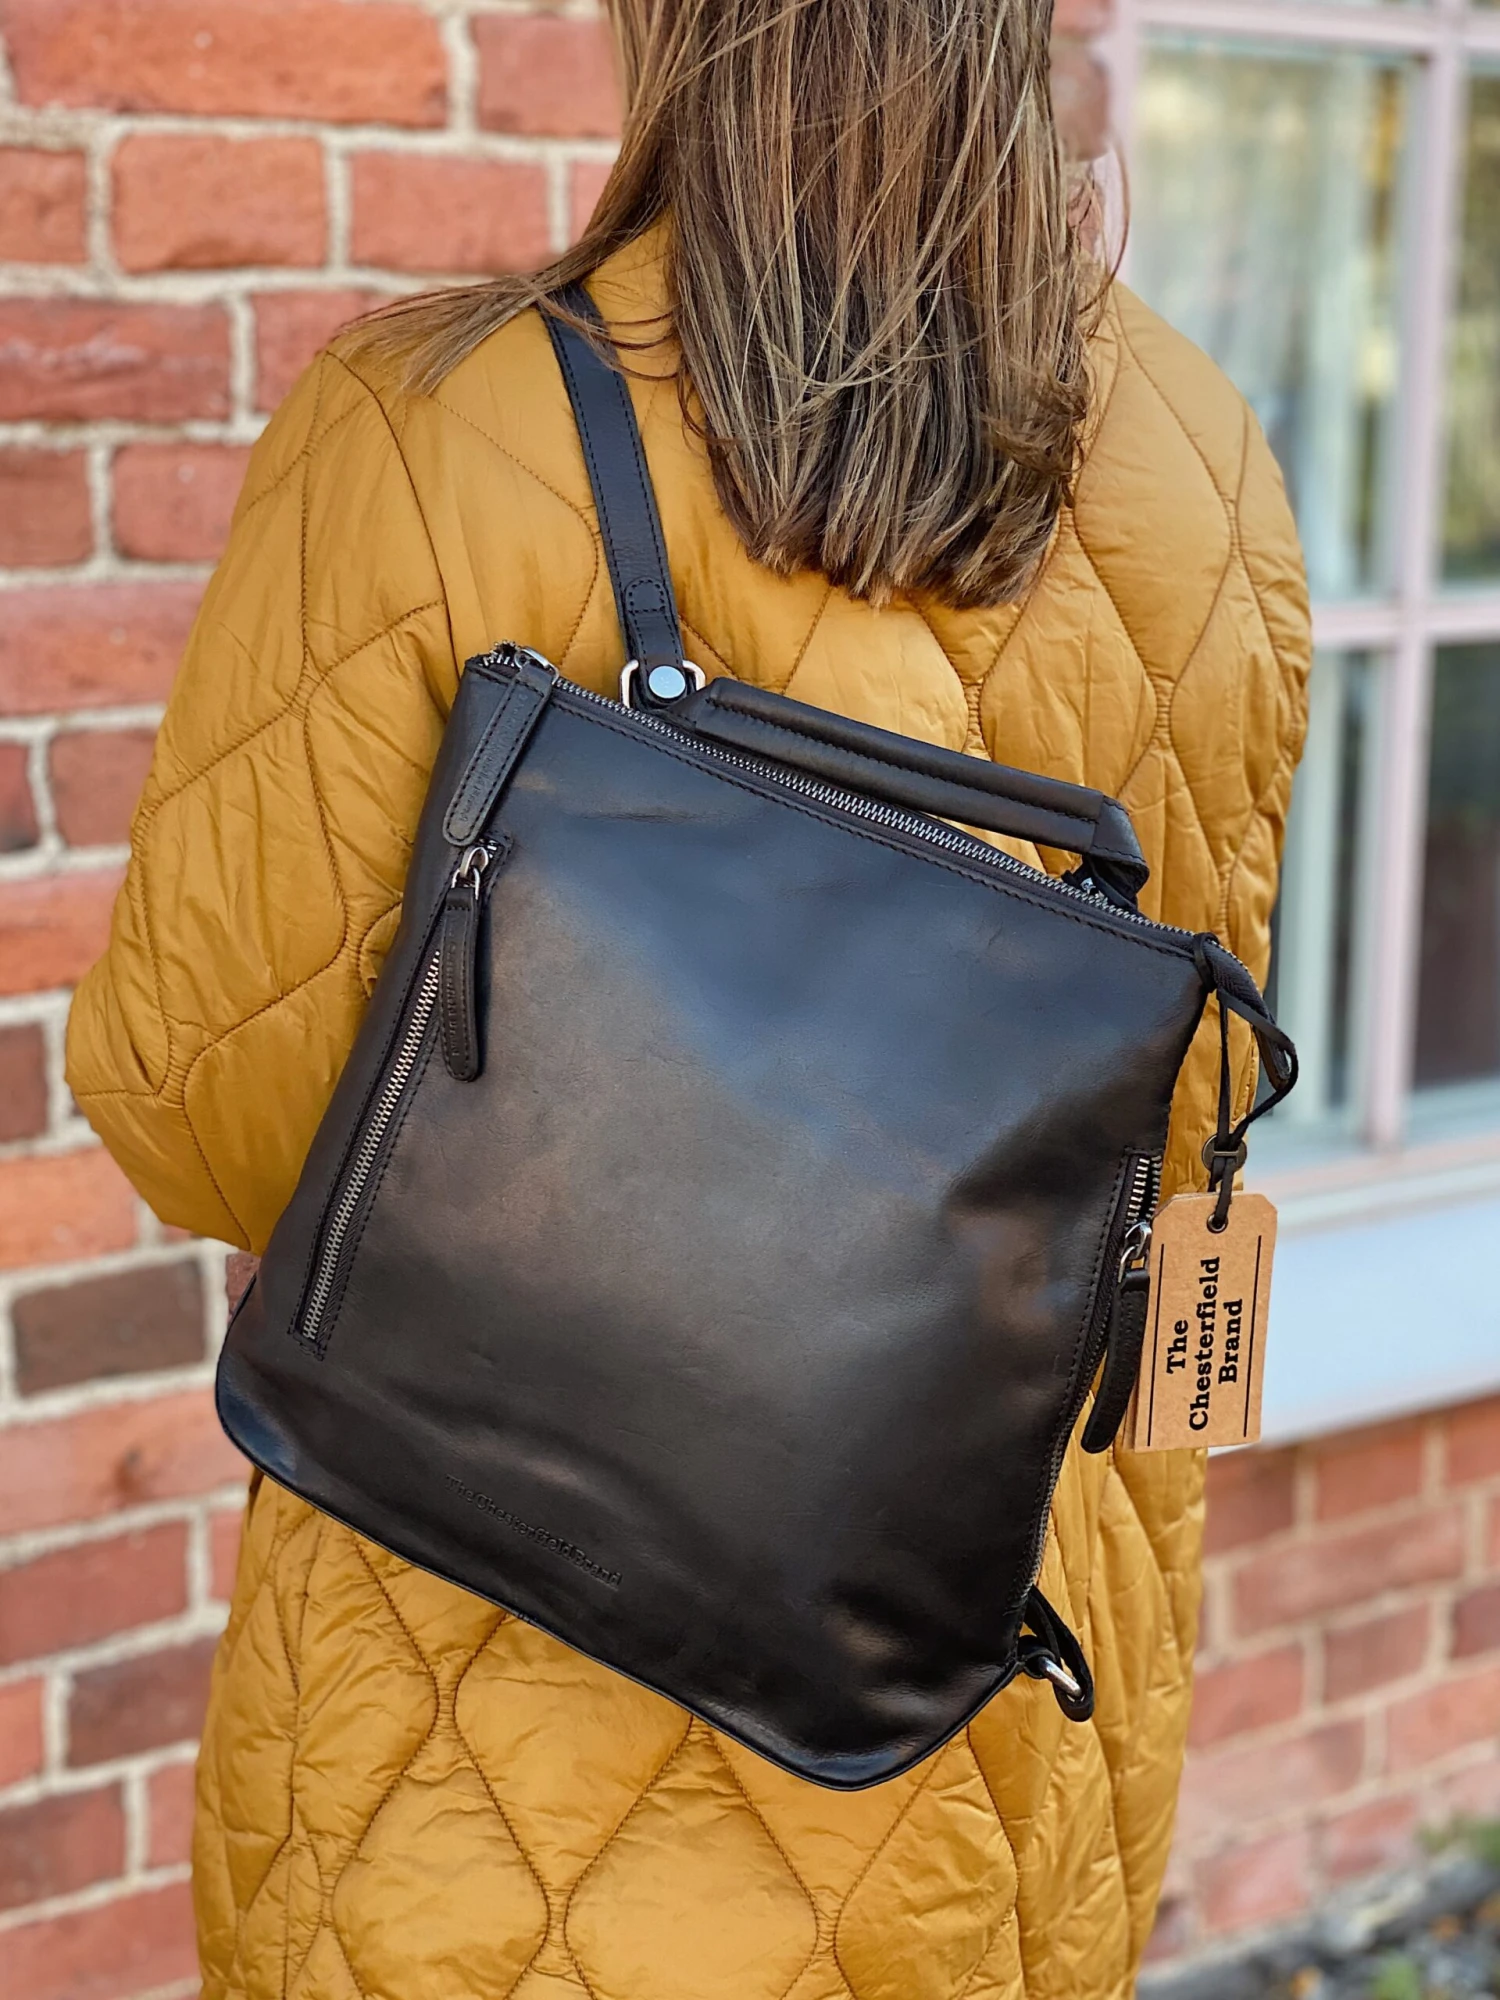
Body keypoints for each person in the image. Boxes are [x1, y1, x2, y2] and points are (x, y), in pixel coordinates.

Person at [68, 0, 1310, 1992]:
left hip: (474, 1740)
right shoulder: (1208, 463)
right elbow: (1178, 1153)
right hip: (987, 1738)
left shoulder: (429, 423)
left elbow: (215, 1113)